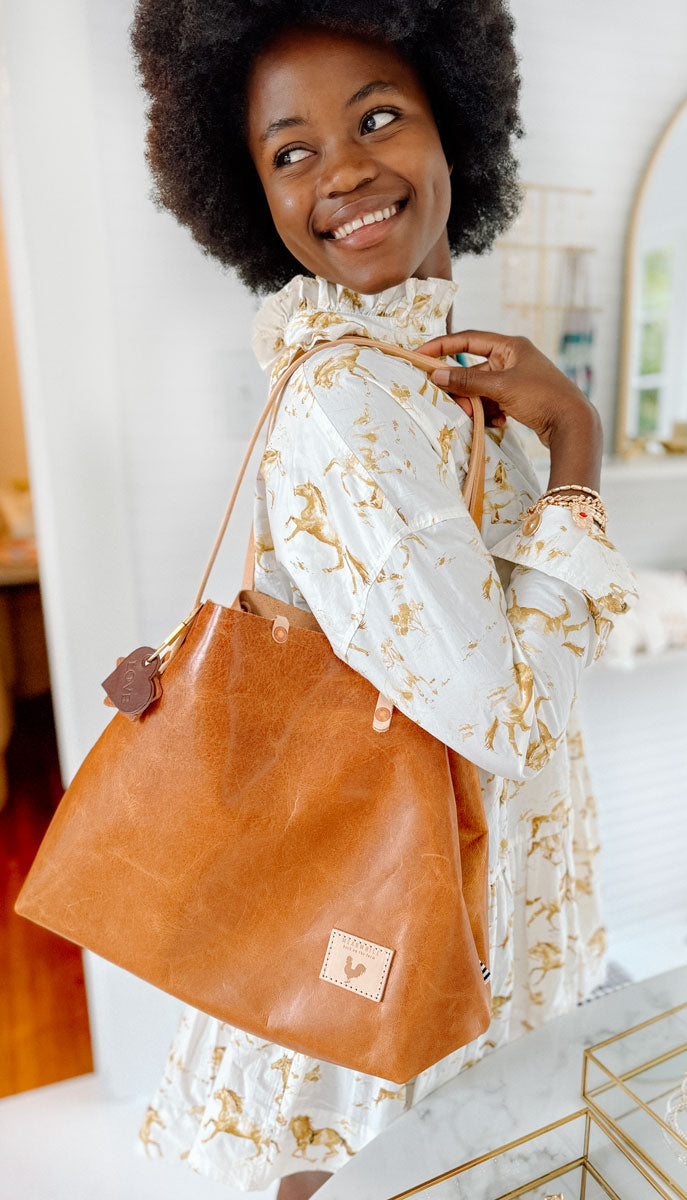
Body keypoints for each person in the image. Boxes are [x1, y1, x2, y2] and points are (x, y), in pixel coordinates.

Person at [130, 2, 638, 1196]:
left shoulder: (438, 382)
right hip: (396, 916)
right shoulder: (348, 406)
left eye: (376, 118)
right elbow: (510, 716)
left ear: (453, 128)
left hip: (453, 898)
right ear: (248, 194)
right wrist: (573, 436)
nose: (345, 170)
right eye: (290, 151)